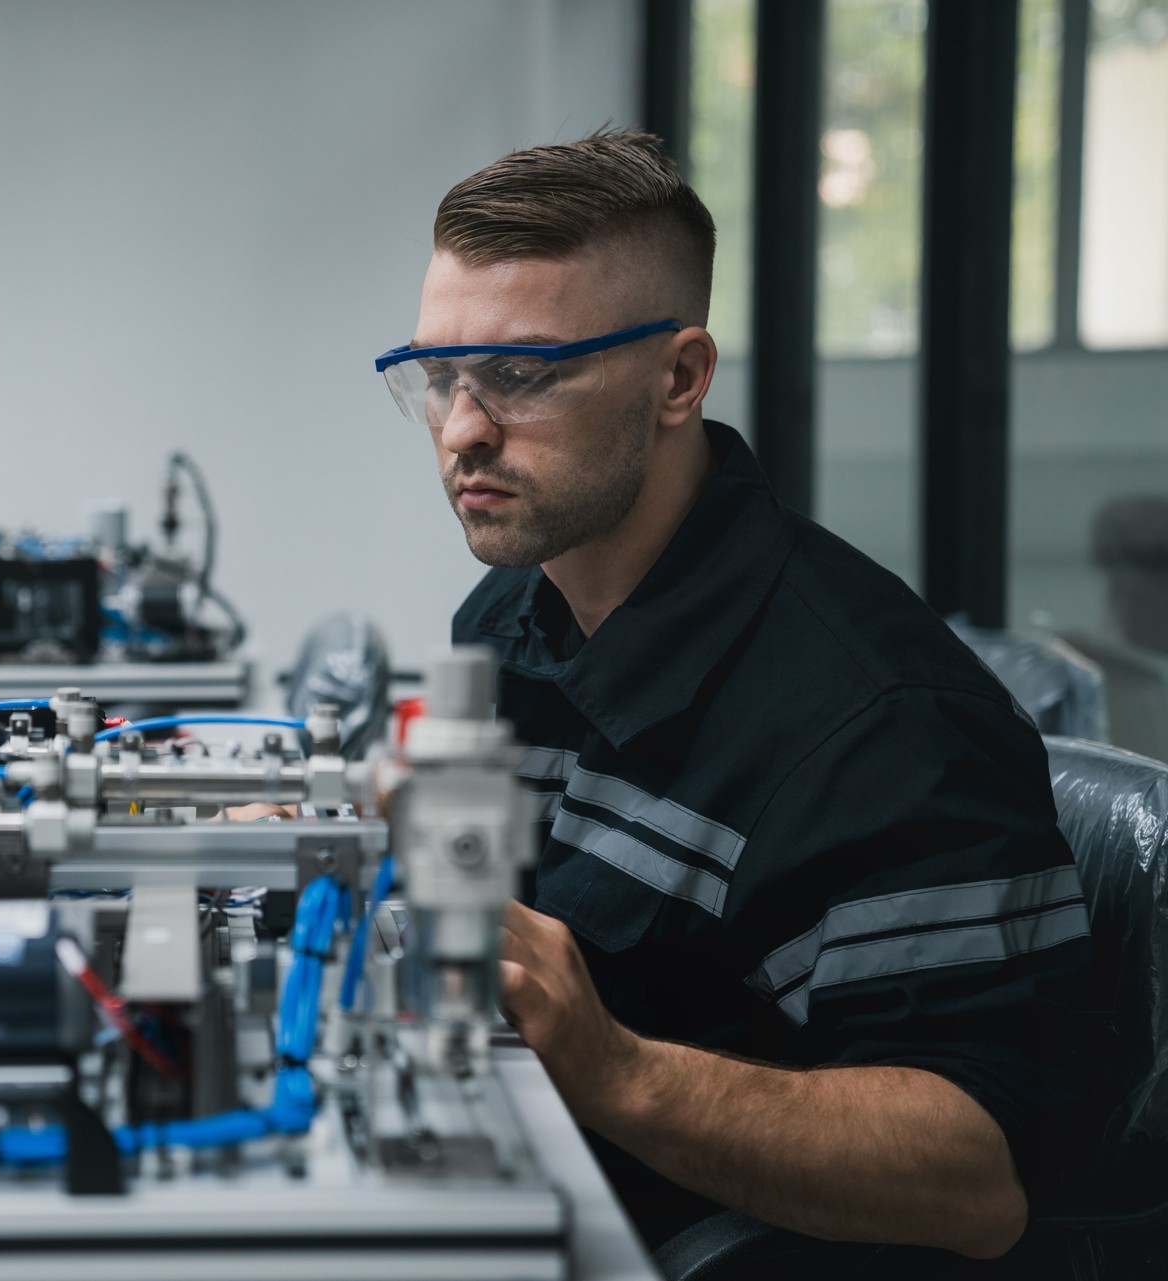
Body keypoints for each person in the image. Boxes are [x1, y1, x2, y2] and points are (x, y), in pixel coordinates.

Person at [377, 131, 1109, 1271]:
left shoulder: (875, 722)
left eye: (521, 375)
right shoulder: (515, 613)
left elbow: (983, 1176)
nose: (464, 428)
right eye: (440, 377)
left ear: (678, 378)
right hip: (543, 1199)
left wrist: (615, 1067)